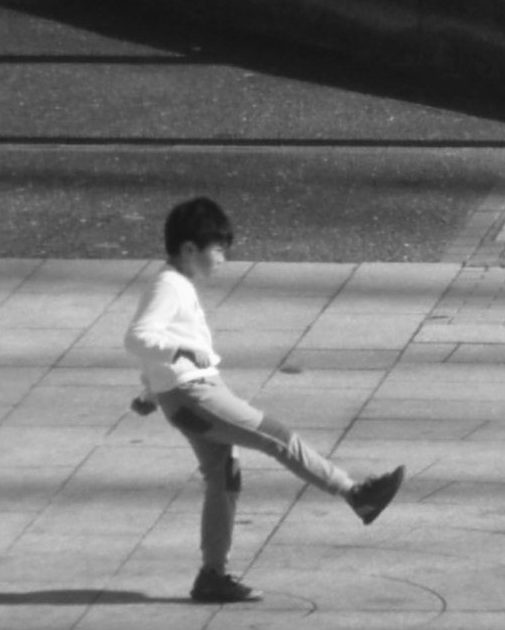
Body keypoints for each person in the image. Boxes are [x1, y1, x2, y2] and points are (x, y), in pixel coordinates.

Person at [127, 195, 403, 605]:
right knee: (277, 437)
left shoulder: (175, 284)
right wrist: (178, 359)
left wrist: (153, 391)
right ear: (190, 249)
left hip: (185, 398)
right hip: (195, 394)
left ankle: (212, 576)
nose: (222, 258)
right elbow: (138, 337)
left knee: (223, 481)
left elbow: (158, 343)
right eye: (217, 249)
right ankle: (355, 495)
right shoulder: (169, 285)